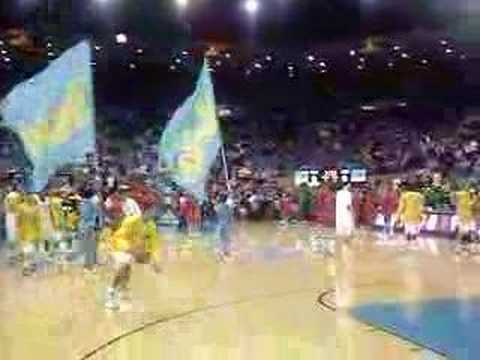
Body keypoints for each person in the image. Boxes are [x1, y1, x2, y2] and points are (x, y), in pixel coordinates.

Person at [104, 185, 144, 310]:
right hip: (116, 241)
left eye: (127, 191)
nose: (125, 193)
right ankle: (111, 292)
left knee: (127, 268)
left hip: (129, 241)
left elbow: (138, 221)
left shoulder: (132, 204)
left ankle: (122, 293)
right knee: (121, 266)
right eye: (122, 191)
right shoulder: (111, 202)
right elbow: (108, 219)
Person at [78, 188, 103, 271]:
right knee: (91, 247)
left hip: (83, 226)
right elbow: (98, 215)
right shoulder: (93, 203)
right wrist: (100, 225)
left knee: (87, 247)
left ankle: (89, 264)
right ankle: (89, 266)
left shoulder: (82, 203)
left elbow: (83, 215)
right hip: (90, 227)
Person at [215, 194, 234, 262]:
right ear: (226, 200)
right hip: (226, 226)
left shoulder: (217, 207)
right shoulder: (228, 207)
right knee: (227, 240)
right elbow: (231, 217)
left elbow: (216, 214)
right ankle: (226, 253)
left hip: (220, 225)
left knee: (220, 240)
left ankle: (221, 255)